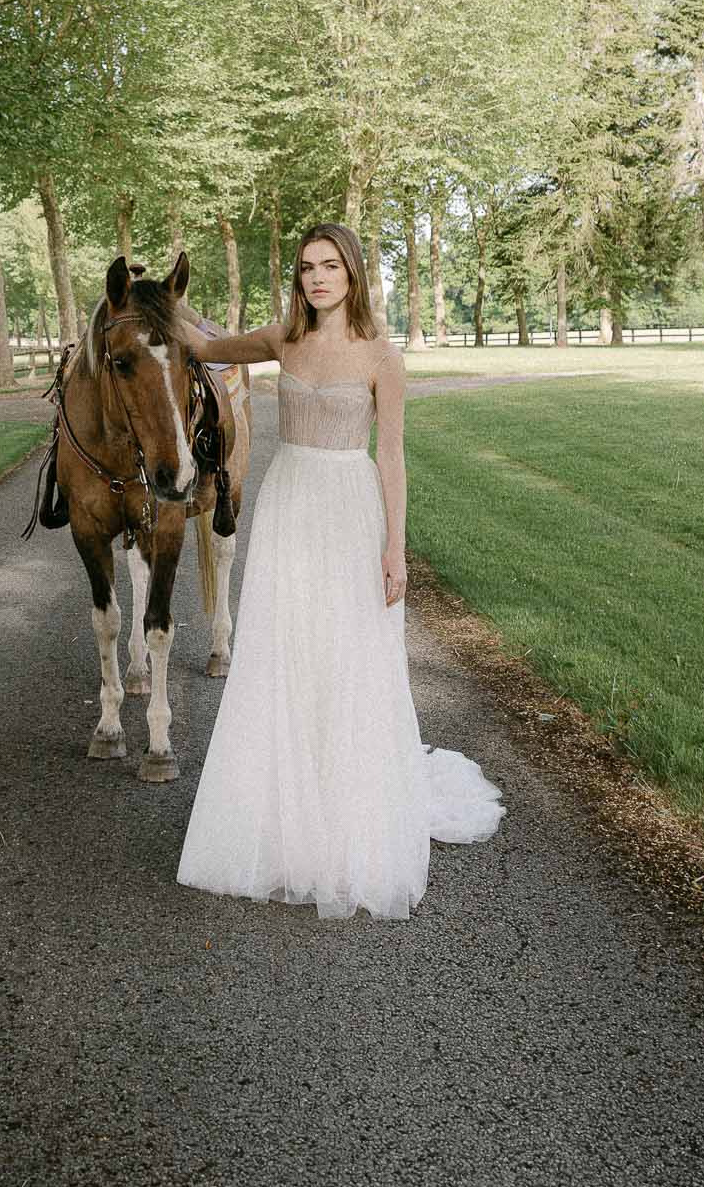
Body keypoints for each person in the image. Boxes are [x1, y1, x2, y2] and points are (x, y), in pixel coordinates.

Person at [176, 221, 504, 920]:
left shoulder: (381, 356)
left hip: (349, 509)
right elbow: (204, 347)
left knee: (348, 653)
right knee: (285, 653)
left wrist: (395, 548)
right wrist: (158, 303)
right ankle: (276, 814)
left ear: (353, 274)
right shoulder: (279, 340)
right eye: (305, 268)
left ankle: (347, 809)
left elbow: (391, 457)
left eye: (329, 266)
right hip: (289, 504)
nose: (316, 278)